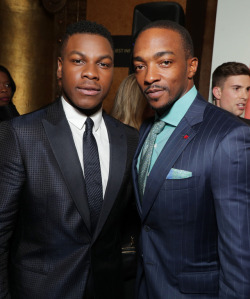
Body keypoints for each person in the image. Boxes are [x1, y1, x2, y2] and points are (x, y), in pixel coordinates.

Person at [0, 20, 139, 299]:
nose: (91, 73)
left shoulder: (130, 139)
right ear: (60, 68)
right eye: (78, 61)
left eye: (103, 64)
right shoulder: (21, 134)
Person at [132, 20, 250, 299]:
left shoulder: (229, 136)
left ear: (192, 66)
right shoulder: (147, 129)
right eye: (139, 66)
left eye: (164, 62)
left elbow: (239, 253)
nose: (149, 76)